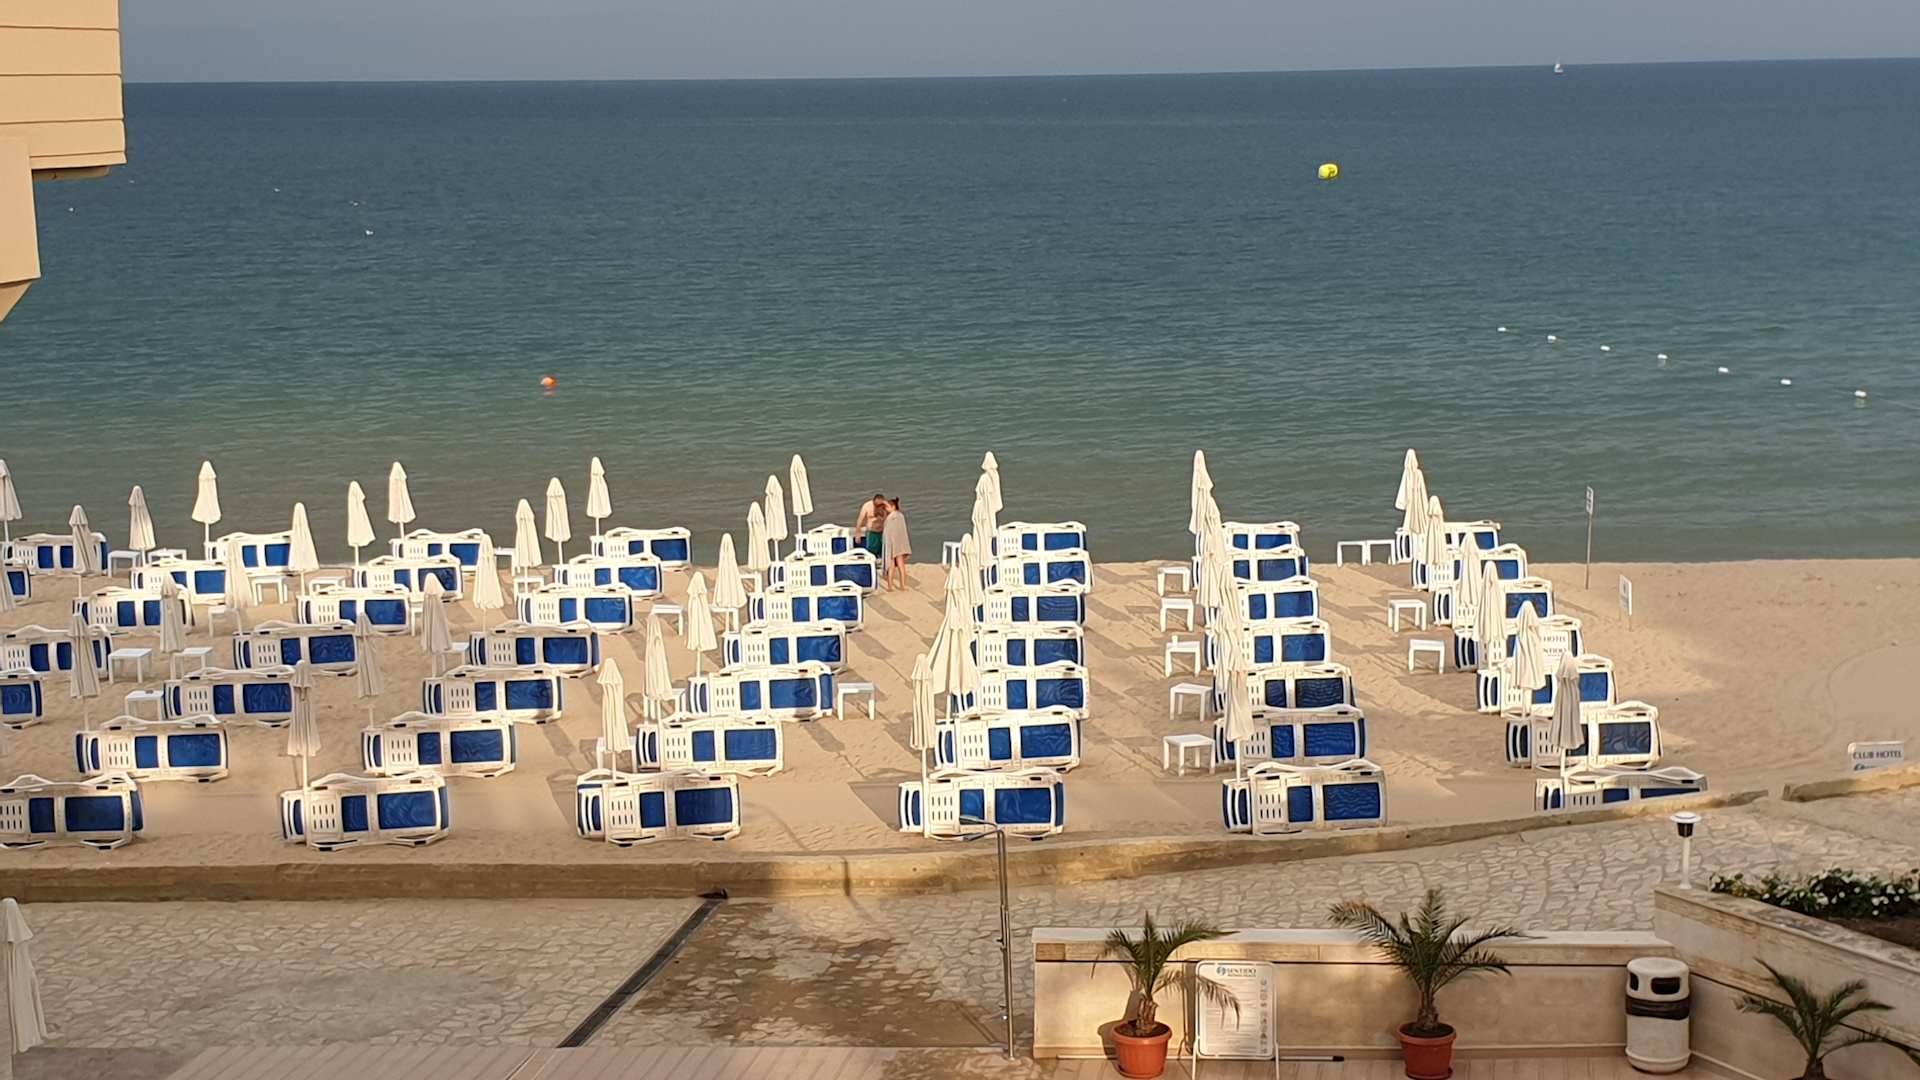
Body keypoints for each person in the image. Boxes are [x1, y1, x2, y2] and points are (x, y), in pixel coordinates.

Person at [881, 496, 911, 590]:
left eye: (887, 507)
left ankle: (890, 586)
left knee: (892, 566)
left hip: (893, 544)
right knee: (900, 565)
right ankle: (902, 586)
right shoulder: (900, 516)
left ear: (893, 506)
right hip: (899, 544)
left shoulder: (892, 517)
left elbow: (888, 531)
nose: (886, 509)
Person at [854, 494, 888, 560]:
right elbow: (860, 519)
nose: (878, 506)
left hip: (883, 532)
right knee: (872, 551)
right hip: (872, 532)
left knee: (883, 551)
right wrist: (858, 533)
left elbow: (894, 514)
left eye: (880, 505)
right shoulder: (867, 506)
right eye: (876, 505)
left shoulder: (885, 506)